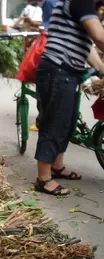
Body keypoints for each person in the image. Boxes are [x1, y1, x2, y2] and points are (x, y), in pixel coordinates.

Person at [34, 0, 104, 196]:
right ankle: (43, 178)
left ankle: (56, 166)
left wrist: (101, 68)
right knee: (54, 123)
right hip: (58, 70)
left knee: (66, 122)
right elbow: (99, 37)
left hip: (66, 71)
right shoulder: (81, 1)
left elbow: (87, 45)